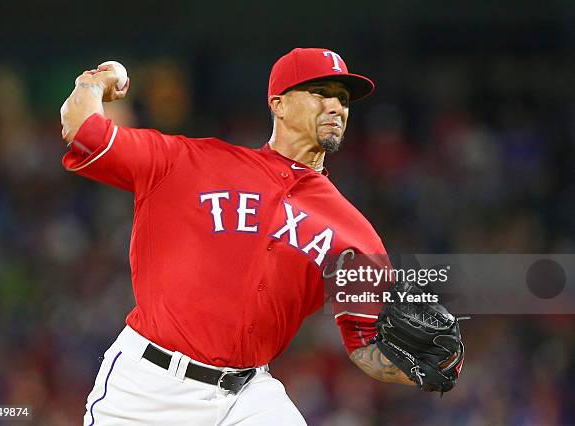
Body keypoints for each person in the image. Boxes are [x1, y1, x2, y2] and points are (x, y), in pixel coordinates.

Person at [60, 47, 413, 426]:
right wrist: (92, 83)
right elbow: (84, 134)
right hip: (150, 386)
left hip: (249, 395)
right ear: (278, 104)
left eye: (342, 98)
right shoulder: (189, 162)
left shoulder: (354, 233)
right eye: (320, 92)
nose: (335, 106)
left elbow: (366, 347)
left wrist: (432, 366)